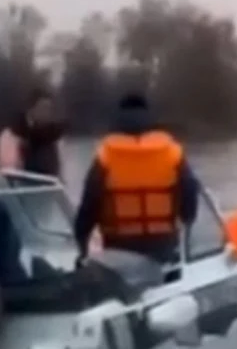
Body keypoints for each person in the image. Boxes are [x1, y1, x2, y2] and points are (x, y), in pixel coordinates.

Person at [73, 93, 201, 264]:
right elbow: (190, 189)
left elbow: (89, 203)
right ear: (149, 117)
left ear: (118, 119)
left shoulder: (106, 156)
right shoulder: (172, 152)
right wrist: (187, 218)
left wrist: (82, 242)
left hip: (119, 246)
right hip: (163, 243)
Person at [0, 89, 66, 179]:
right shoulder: (12, 134)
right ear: (31, 109)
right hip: (21, 184)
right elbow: (9, 171)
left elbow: (60, 173)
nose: (46, 113)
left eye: (49, 109)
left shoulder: (54, 136)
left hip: (50, 184)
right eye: (43, 108)